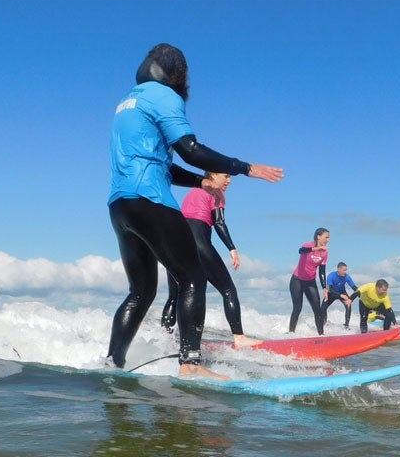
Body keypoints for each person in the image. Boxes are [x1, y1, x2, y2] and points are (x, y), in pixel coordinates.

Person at [106, 43, 283, 379]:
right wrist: (245, 167)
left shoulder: (127, 103)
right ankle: (191, 364)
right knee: (193, 278)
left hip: (120, 206)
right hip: (151, 199)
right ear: (177, 74)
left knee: (141, 292)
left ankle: (112, 365)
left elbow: (163, 166)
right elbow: (191, 150)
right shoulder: (164, 96)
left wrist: (201, 184)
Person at [159, 171, 261, 347]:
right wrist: (232, 248)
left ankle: (164, 340)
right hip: (197, 240)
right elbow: (219, 222)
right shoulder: (217, 192)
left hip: (173, 241)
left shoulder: (193, 190)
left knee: (175, 295)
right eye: (226, 176)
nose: (229, 181)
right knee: (228, 289)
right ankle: (239, 337)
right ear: (212, 175)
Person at [288, 227, 329, 335]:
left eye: (329, 238)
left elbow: (322, 271)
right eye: (326, 237)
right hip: (297, 280)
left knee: (317, 309)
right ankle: (291, 333)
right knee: (297, 308)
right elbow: (300, 251)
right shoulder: (308, 245)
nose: (328, 240)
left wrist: (324, 287)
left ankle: (321, 335)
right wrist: (314, 249)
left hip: (310, 282)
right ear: (318, 236)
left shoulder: (324, 252)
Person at [321, 262, 359, 330]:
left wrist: (359, 294)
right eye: (344, 270)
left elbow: (355, 288)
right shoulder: (331, 276)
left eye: (346, 270)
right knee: (323, 308)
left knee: (348, 305)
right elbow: (329, 289)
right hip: (332, 293)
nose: (345, 272)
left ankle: (346, 326)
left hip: (342, 292)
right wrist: (340, 295)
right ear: (338, 269)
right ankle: (324, 323)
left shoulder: (347, 277)